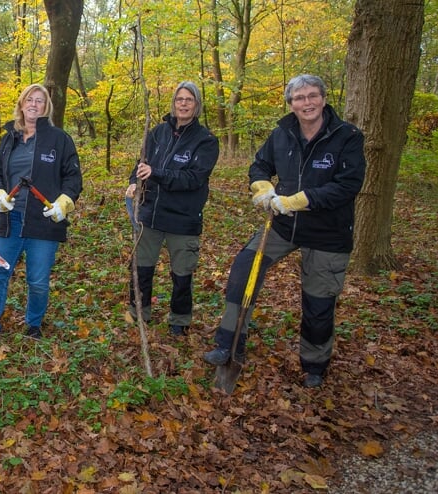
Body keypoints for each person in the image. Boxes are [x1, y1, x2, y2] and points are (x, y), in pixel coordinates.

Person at [202, 74, 366, 388]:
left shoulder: (346, 136)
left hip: (327, 232)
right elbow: (260, 165)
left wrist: (298, 200)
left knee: (318, 302)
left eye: (313, 96)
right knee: (243, 270)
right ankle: (229, 344)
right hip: (282, 226)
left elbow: (348, 185)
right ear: (290, 104)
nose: (307, 103)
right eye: (299, 98)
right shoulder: (282, 134)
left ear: (323, 98)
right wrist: (263, 188)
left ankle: (315, 365)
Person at [0, 83, 83, 346]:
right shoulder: (9, 138)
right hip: (10, 221)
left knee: (38, 280)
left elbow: (73, 178)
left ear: (46, 108)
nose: (34, 104)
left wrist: (63, 204)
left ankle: (33, 326)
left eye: (40, 101)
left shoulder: (59, 139)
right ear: (21, 104)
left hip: (43, 222)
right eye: (29, 99)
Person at [125, 81, 220, 336]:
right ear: (173, 102)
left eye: (189, 99)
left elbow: (193, 178)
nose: (184, 104)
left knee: (182, 274)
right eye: (180, 99)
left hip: (183, 218)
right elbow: (140, 164)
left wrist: (156, 173)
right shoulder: (157, 133)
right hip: (150, 214)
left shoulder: (206, 141)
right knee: (141, 266)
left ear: (197, 105)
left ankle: (179, 320)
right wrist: (134, 183)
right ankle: (138, 311)